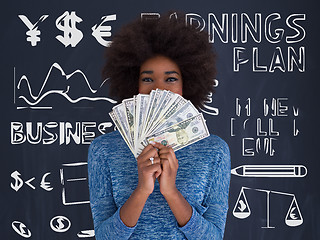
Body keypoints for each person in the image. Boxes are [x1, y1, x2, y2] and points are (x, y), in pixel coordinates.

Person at [88, 12, 231, 240]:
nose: (158, 89)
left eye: (171, 78)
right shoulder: (103, 149)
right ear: (132, 84)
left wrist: (170, 192)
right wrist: (143, 189)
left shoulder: (214, 151)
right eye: (147, 78)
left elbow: (213, 237)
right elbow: (105, 237)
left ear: (188, 84)